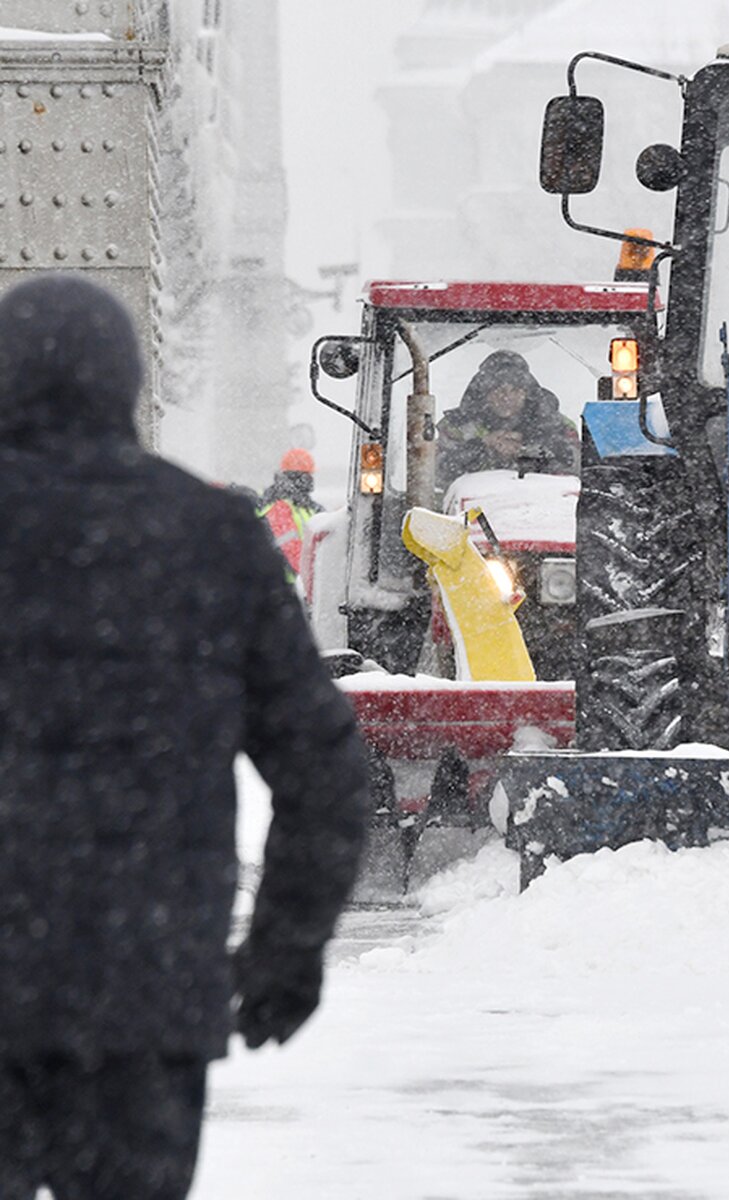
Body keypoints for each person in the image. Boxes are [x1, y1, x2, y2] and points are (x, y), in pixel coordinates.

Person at [0, 276, 368, 1198]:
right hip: (143, 1003)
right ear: (123, 386)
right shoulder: (208, 537)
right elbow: (322, 764)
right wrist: (287, 951)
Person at [435, 350, 579, 493]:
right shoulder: (455, 426)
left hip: (546, 506)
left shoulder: (557, 425)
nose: (506, 397)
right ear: (483, 394)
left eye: (515, 390)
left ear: (527, 393)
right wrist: (481, 445)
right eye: (497, 390)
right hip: (469, 511)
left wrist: (530, 447)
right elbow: (435, 473)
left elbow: (577, 466)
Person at [257, 447, 324, 583]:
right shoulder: (279, 508)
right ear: (298, 479)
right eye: (308, 476)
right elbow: (291, 551)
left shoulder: (308, 507)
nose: (311, 481)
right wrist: (314, 577)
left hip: (303, 586)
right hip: (288, 587)